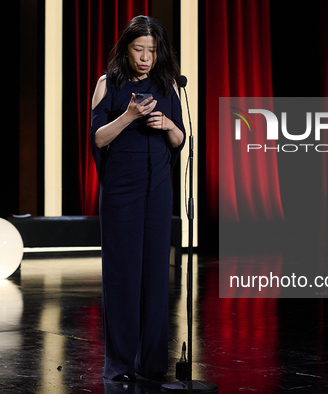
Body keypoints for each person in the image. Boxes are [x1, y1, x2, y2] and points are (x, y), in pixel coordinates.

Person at [89, 15, 185, 382]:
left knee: (156, 275)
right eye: (138, 49)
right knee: (122, 276)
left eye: (152, 51)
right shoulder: (108, 83)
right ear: (126, 48)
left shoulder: (166, 85)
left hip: (158, 186)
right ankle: (120, 365)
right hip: (121, 188)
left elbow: (179, 141)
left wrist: (169, 126)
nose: (146, 57)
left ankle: (152, 364)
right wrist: (128, 116)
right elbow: (98, 138)